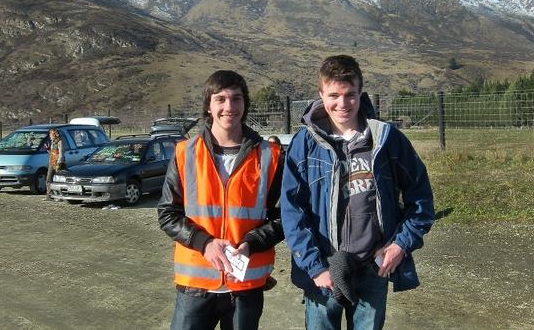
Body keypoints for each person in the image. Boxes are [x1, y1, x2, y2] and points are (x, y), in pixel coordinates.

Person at [281, 55, 434, 330]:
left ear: (360, 92)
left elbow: (421, 198)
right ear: (320, 94)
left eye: (350, 94)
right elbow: (292, 211)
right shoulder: (304, 144)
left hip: (373, 267)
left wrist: (400, 244)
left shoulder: (386, 140)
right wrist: (315, 267)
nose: (342, 104)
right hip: (324, 271)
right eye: (334, 95)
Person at [158, 70, 284, 330]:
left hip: (246, 285)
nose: (229, 107)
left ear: (245, 104)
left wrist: (251, 242)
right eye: (221, 99)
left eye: (236, 99)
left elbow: (284, 217)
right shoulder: (185, 153)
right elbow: (168, 214)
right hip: (195, 284)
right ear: (208, 105)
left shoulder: (270, 156)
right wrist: (205, 243)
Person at [44, 128, 65, 201]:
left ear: (54, 134)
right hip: (52, 161)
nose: (49, 135)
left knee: (58, 179)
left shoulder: (60, 141)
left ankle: (59, 196)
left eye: (50, 134)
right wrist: (48, 149)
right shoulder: (52, 142)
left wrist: (59, 162)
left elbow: (61, 152)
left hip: (57, 162)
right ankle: (49, 195)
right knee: (49, 179)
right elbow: (52, 153)